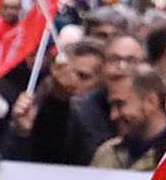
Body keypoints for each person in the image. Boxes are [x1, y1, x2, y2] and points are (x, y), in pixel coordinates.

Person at [62, 34, 148, 166]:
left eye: (131, 60)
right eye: (114, 59)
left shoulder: (161, 112)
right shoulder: (79, 112)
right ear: (103, 67)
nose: (122, 66)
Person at [90, 67, 166, 171]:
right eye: (111, 106)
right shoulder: (106, 154)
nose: (113, 115)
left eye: (120, 104)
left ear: (151, 102)